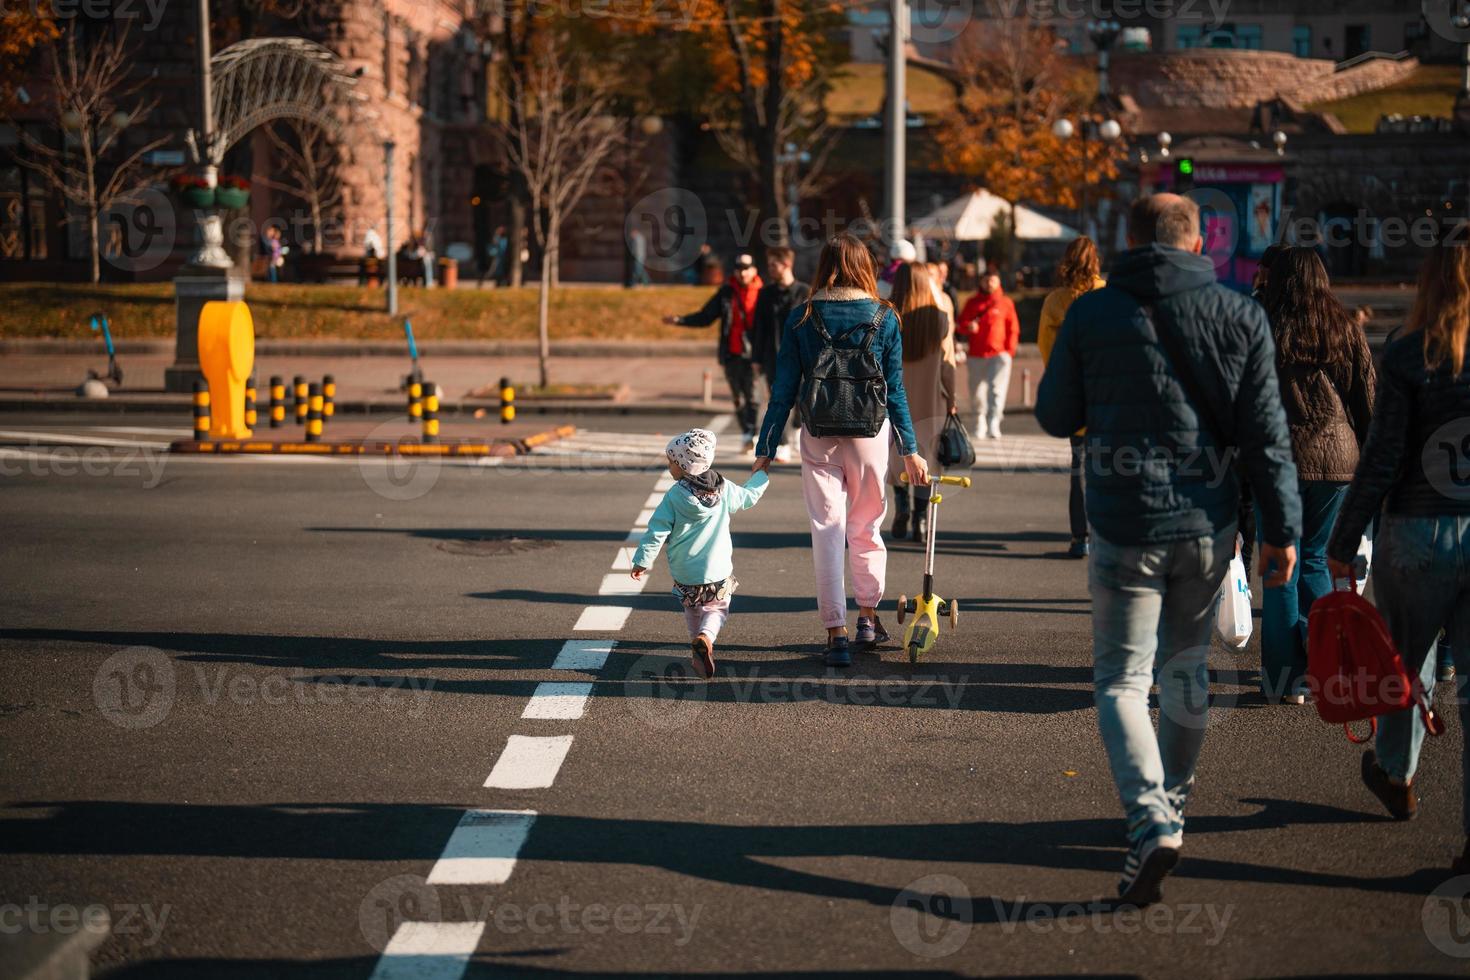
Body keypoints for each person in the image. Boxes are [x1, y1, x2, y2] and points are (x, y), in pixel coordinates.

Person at [1036, 194, 1301, 906]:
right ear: (1197, 240)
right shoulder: (1239, 315)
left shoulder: (1093, 312)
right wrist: (1283, 532)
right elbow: (1268, 438)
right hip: (1207, 526)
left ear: (1127, 238)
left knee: (1121, 679)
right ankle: (1173, 807)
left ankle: (1149, 814)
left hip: (1123, 522)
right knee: (1187, 668)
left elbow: (1057, 413)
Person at [1325, 241, 1470, 867]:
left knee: (1402, 669)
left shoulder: (1410, 355)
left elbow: (1382, 455)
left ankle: (1397, 775)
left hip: (1416, 531)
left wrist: (1343, 538)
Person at [753, 233, 929, 666]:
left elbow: (783, 389)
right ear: (865, 267)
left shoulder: (802, 316)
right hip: (871, 435)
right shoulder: (886, 317)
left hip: (818, 432)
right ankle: (868, 617)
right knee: (866, 525)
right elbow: (895, 391)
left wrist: (767, 445)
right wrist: (911, 449)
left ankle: (836, 632)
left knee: (826, 530)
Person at [1257, 246, 1375, 704]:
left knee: (1278, 562)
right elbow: (1367, 398)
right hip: (1336, 459)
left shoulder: (1263, 326)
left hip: (1278, 459)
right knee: (1315, 559)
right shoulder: (1344, 326)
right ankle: (1323, 669)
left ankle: (1284, 679)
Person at [632, 429, 769, 679]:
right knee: (717, 609)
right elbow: (749, 497)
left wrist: (642, 561)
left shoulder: (674, 496)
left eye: (671, 461)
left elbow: (656, 531)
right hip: (717, 571)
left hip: (685, 573)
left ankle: (697, 647)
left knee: (692, 609)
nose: (669, 466)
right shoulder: (723, 488)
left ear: (684, 465)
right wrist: (760, 475)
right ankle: (706, 638)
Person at [1038, 237, 1107, 559]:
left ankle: (1080, 537)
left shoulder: (1055, 301)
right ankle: (1106, 533)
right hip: (1107, 393)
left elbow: (1046, 348)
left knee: (1078, 468)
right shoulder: (1108, 294)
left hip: (1074, 394)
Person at [665, 253, 765, 450]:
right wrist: (680, 320)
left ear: (754, 270)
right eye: (739, 269)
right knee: (738, 397)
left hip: (755, 354)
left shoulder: (763, 293)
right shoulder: (726, 293)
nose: (743, 273)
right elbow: (706, 316)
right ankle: (746, 430)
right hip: (731, 353)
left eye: (746, 268)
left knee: (753, 397)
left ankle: (751, 433)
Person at [888, 261, 957, 542]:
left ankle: (901, 506)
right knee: (926, 459)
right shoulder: (939, 318)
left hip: (896, 399)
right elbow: (948, 364)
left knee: (897, 456)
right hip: (931, 401)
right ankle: (920, 518)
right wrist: (951, 398)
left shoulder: (889, 317)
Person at [751, 246, 810, 464]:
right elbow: (759, 328)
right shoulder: (765, 294)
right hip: (772, 357)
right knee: (778, 399)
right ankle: (783, 443)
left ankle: (796, 428)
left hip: (801, 356)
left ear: (787, 264)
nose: (770, 269)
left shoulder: (804, 292)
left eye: (773, 265)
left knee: (801, 398)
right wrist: (756, 358)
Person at [956, 271, 1020, 439]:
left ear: (998, 282)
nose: (989, 283)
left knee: (996, 390)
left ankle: (994, 421)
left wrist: (1009, 351)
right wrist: (967, 327)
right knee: (976, 391)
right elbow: (960, 324)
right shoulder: (972, 302)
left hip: (999, 354)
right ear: (981, 282)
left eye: (992, 280)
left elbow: (1013, 328)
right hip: (976, 354)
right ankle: (979, 420)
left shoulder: (1005, 303)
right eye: (986, 280)